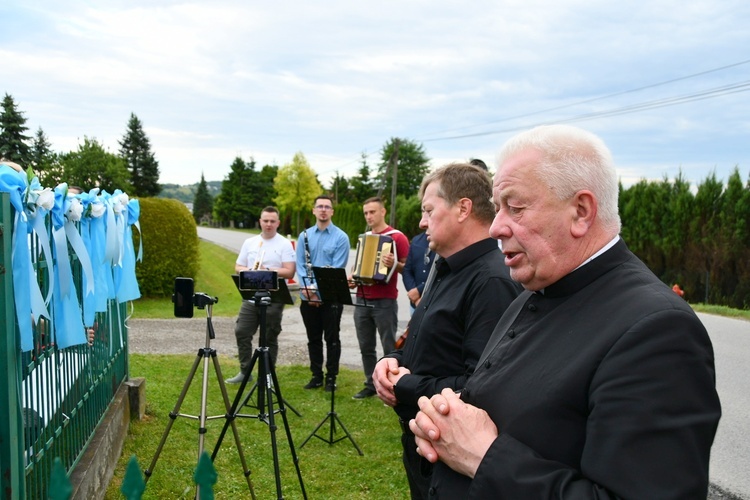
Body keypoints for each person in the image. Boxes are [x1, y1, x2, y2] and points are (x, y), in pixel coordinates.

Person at [410, 125, 722, 498]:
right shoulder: (536, 288)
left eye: (516, 207)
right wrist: (449, 422)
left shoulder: (659, 330)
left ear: (581, 211)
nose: (495, 227)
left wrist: (483, 457)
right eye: (497, 209)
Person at [373, 163, 522, 499]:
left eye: (428, 210)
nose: (422, 221)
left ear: (463, 208)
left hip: (455, 463)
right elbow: (426, 339)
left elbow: (481, 388)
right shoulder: (444, 265)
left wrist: (404, 385)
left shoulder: (491, 282)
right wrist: (391, 360)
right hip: (424, 443)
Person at [226, 207, 296, 384]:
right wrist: (250, 271)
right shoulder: (250, 242)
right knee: (241, 331)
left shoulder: (284, 244)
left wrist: (268, 272)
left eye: (273, 221)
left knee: (269, 338)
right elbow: (238, 267)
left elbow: (289, 271)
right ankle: (245, 371)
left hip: (274, 298)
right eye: (266, 221)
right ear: (260, 221)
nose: (269, 224)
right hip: (251, 297)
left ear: (278, 223)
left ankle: (267, 375)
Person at [349, 196, 409, 399]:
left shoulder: (396, 237)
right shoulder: (363, 237)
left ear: (382, 212)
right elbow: (358, 265)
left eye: (372, 212)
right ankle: (370, 383)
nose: (368, 216)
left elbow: (407, 268)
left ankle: (393, 385)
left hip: (385, 300)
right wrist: (353, 276)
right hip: (362, 298)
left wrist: (393, 263)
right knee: (365, 345)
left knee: (388, 346)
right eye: (365, 213)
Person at [296, 195, 350, 391]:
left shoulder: (341, 237)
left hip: (330, 297)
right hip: (307, 296)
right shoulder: (304, 236)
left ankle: (331, 378)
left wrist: (318, 293)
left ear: (332, 212)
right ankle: (316, 375)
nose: (323, 210)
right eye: (320, 206)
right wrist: (310, 292)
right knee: (313, 338)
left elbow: (336, 269)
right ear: (314, 210)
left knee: (332, 339)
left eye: (327, 207)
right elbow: (301, 266)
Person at [401, 231, 434, 315]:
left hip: (435, 303)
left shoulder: (446, 242)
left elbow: (445, 274)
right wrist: (415, 297)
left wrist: (419, 291)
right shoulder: (416, 240)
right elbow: (407, 270)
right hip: (415, 304)